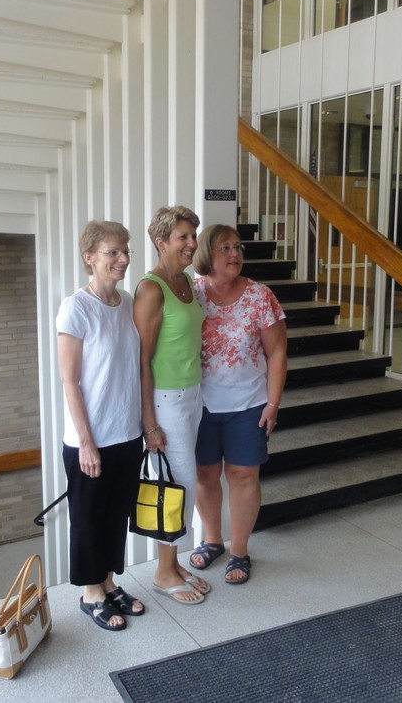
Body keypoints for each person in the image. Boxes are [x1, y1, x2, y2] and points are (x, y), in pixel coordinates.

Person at [56, 221, 145, 631]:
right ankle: (91, 593)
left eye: (125, 251)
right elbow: (70, 381)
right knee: (88, 517)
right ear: (90, 257)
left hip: (126, 433)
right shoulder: (76, 308)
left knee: (115, 515)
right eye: (113, 252)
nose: (123, 259)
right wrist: (86, 443)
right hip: (90, 439)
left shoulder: (127, 303)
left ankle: (108, 582)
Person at [189, 224, 287, 585]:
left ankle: (240, 551)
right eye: (225, 248)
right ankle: (212, 540)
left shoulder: (260, 296)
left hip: (248, 403)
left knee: (243, 475)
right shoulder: (190, 293)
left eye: (237, 247)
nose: (235, 254)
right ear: (206, 254)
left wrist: (272, 403)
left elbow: (277, 352)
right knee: (204, 475)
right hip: (198, 405)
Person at [133, 206, 211, 605]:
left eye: (193, 235)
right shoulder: (152, 289)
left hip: (192, 394)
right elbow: (142, 360)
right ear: (161, 241)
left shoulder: (186, 282)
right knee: (178, 484)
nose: (192, 243)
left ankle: (174, 564)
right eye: (183, 236)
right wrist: (149, 423)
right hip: (165, 400)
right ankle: (163, 572)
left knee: (185, 482)